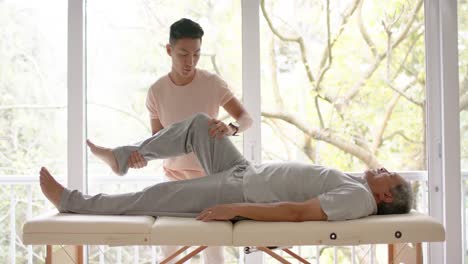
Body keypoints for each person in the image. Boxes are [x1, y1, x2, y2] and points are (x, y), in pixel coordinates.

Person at [40, 113, 413, 224]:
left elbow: (297, 213)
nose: (380, 167)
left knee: (154, 196)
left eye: (387, 174)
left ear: (384, 196)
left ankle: (72, 202)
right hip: (243, 171)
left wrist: (234, 209)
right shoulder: (359, 185)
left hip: (239, 192)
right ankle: (124, 158)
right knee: (200, 124)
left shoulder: (357, 200)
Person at [129, 18, 252, 263]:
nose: (190, 62)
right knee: (171, 252)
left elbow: (246, 118)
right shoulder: (157, 91)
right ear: (169, 50)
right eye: (183, 54)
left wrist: (231, 128)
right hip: (174, 181)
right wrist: (141, 156)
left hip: (211, 182)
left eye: (196, 54)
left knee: (213, 252)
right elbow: (158, 140)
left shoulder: (212, 83)